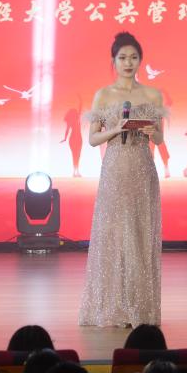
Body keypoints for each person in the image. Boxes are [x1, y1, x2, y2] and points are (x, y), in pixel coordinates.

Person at [79, 32, 165, 327]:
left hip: (142, 169)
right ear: (113, 61)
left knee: (140, 236)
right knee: (114, 236)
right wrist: (115, 129)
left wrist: (153, 132)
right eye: (123, 58)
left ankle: (139, 308)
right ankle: (113, 308)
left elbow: (160, 138)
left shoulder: (152, 95)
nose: (128, 63)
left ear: (141, 60)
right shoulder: (103, 95)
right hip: (115, 169)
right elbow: (92, 139)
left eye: (134, 57)